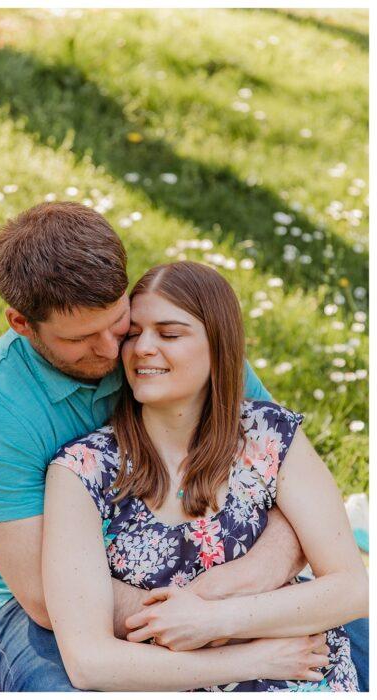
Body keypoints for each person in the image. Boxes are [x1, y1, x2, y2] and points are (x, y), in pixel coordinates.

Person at [0, 201, 368, 691]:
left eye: (117, 322)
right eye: (83, 339)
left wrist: (226, 600)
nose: (115, 351)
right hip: (46, 602)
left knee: (352, 650)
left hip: (217, 581)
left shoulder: (175, 348)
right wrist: (199, 629)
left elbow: (274, 477)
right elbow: (47, 600)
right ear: (22, 323)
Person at [44, 261, 367, 691]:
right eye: (134, 333)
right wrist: (249, 657)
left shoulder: (269, 435)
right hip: (181, 679)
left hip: (299, 670)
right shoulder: (82, 470)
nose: (142, 348)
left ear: (219, 346)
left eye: (170, 334)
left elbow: (351, 588)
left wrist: (214, 618)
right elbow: (89, 662)